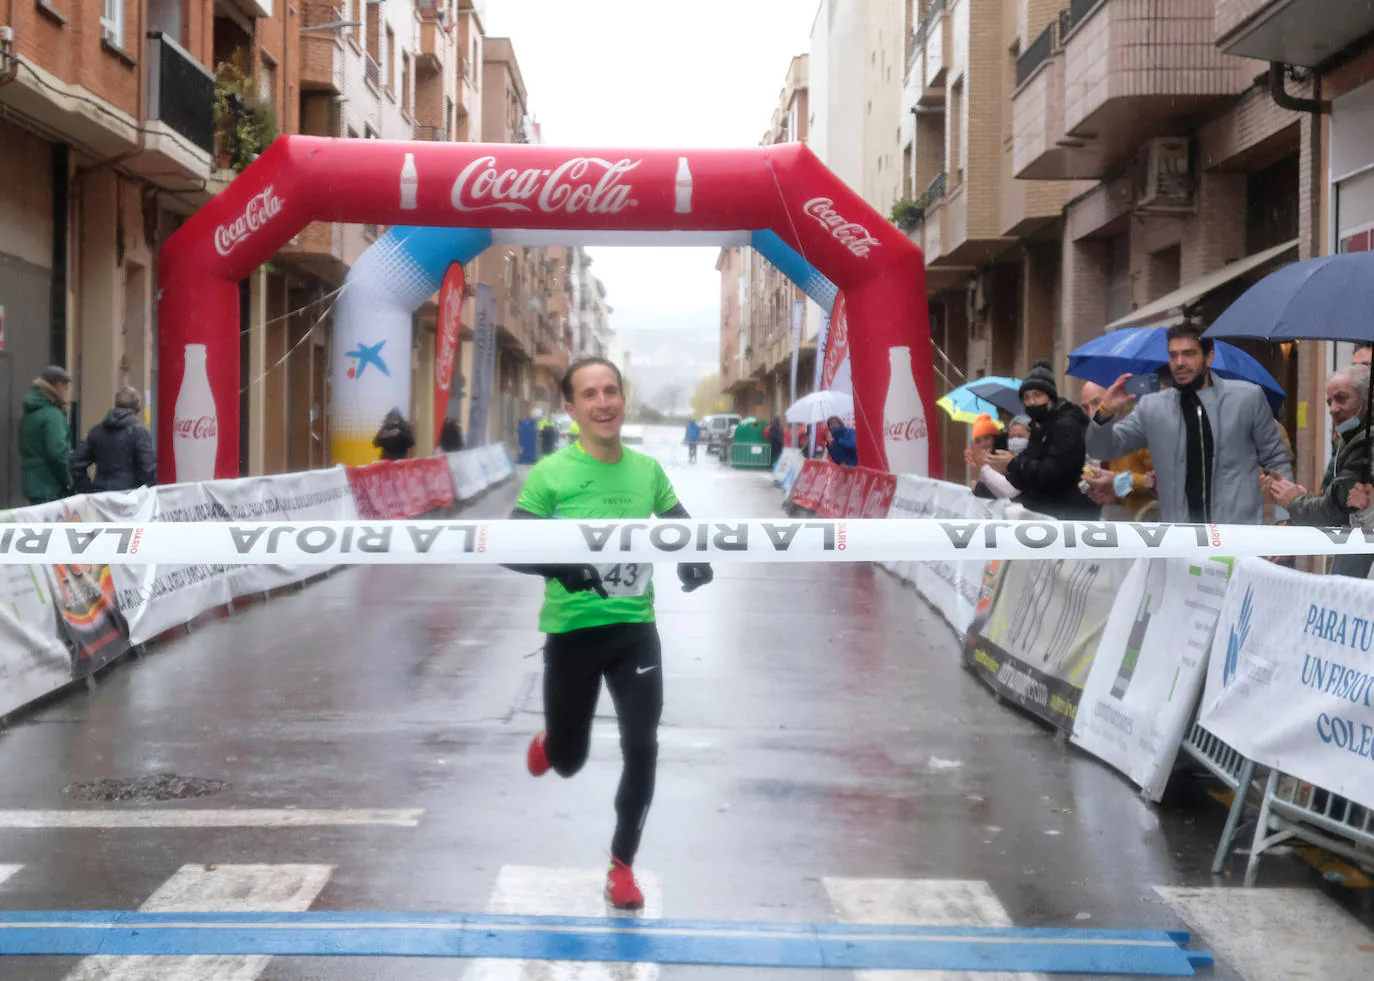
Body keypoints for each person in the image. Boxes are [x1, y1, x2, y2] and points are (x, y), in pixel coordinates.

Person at [504, 356, 713, 910]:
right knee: (571, 762)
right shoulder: (551, 475)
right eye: (590, 395)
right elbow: (507, 548)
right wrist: (562, 567)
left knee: (642, 747)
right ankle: (555, 743)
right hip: (573, 634)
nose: (604, 403)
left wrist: (695, 557)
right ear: (570, 409)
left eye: (611, 391)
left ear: (622, 397)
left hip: (634, 632)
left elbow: (680, 524)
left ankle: (622, 867)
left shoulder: (647, 471)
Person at [1087, 324, 1292, 525]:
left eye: (1189, 354)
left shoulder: (1247, 398)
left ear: (1209, 356)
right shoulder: (1152, 407)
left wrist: (1283, 518)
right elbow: (1103, 449)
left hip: (1237, 536)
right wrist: (1105, 411)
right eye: (1173, 355)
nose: (1179, 362)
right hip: (1182, 540)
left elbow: (1276, 460)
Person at [1263, 370, 1373, 578]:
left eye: (1341, 399)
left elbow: (1335, 510)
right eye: (1329, 401)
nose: (1333, 409)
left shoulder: (1364, 443)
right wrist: (1302, 500)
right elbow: (1339, 500)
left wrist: (1294, 501)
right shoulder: (1351, 438)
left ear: (1368, 398)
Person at [989, 359, 1096, 518]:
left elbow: (1053, 474)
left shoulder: (1067, 425)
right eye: (1027, 398)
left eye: (1038, 396)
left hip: (1068, 514)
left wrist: (1013, 463)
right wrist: (1008, 468)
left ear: (1050, 398)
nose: (1032, 402)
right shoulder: (1039, 426)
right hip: (1045, 511)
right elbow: (1027, 476)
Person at [1077, 381, 1155, 517]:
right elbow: (1125, 489)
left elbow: (1158, 484)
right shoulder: (1101, 432)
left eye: (1098, 402)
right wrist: (1113, 494)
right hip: (1118, 518)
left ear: (1119, 395)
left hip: (1151, 522)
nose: (1091, 413)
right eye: (1085, 407)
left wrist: (1118, 481)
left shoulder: (1141, 429)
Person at [71, 387, 156, 493]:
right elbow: (148, 469)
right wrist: (145, 493)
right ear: (137, 408)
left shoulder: (97, 431)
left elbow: (76, 462)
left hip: (101, 495)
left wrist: (87, 489)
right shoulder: (139, 433)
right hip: (129, 496)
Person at [19, 365, 74, 505]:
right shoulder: (52, 416)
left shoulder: (30, 414)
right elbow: (58, 454)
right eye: (65, 388)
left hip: (33, 485)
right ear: (58, 386)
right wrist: (69, 482)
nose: (65, 393)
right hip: (51, 486)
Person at [965, 413, 1018, 500]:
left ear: (994, 438)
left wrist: (978, 487)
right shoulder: (981, 457)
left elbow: (1003, 490)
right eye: (978, 441)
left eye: (987, 438)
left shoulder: (1002, 455)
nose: (983, 444)